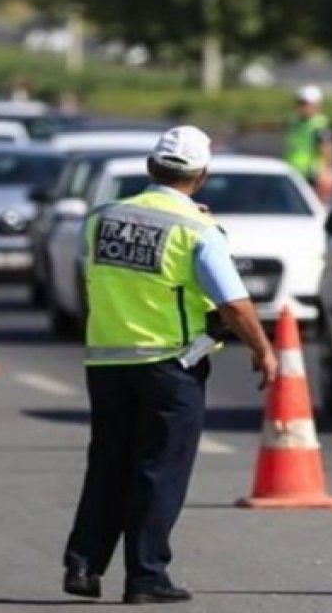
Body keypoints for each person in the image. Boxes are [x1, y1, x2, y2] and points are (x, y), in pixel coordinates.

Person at [61, 125, 280, 605]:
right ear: (201, 176)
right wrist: (264, 350)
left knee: (108, 465)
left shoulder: (100, 219)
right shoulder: (197, 230)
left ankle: (83, 562)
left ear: (149, 168)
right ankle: (146, 576)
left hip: (106, 361)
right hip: (168, 364)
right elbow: (235, 305)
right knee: (159, 470)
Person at [283, 85, 332, 194]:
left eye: (307, 104)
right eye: (301, 103)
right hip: (291, 168)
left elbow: (326, 148)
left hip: (311, 173)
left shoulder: (319, 125)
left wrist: (328, 171)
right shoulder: (294, 120)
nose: (304, 107)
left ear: (316, 105)